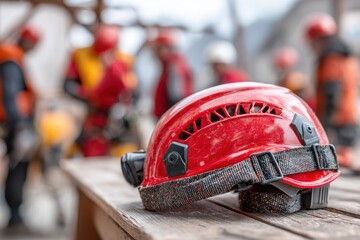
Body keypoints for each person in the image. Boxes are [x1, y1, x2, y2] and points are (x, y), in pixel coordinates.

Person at [64, 24, 137, 157]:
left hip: (111, 113)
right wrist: (85, 96)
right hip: (89, 110)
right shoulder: (80, 55)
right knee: (79, 142)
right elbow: (68, 85)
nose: (104, 57)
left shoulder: (123, 61)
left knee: (122, 145)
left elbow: (130, 89)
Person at [304, 12, 358, 168]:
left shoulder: (331, 58)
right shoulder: (346, 56)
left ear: (319, 40)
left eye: (312, 43)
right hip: (348, 117)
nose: (312, 48)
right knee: (344, 159)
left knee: (336, 163)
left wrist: (325, 126)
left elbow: (331, 92)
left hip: (337, 121)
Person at [0, 25, 41, 227]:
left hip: (13, 122)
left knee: (17, 165)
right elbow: (10, 93)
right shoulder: (11, 60)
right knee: (17, 165)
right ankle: (15, 214)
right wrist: (19, 125)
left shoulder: (12, 57)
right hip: (14, 123)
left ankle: (15, 212)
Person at [150, 31, 194, 118]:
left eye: (158, 48)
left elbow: (178, 98)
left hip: (173, 119)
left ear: (166, 48)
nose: (155, 53)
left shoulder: (175, 68)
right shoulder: (168, 66)